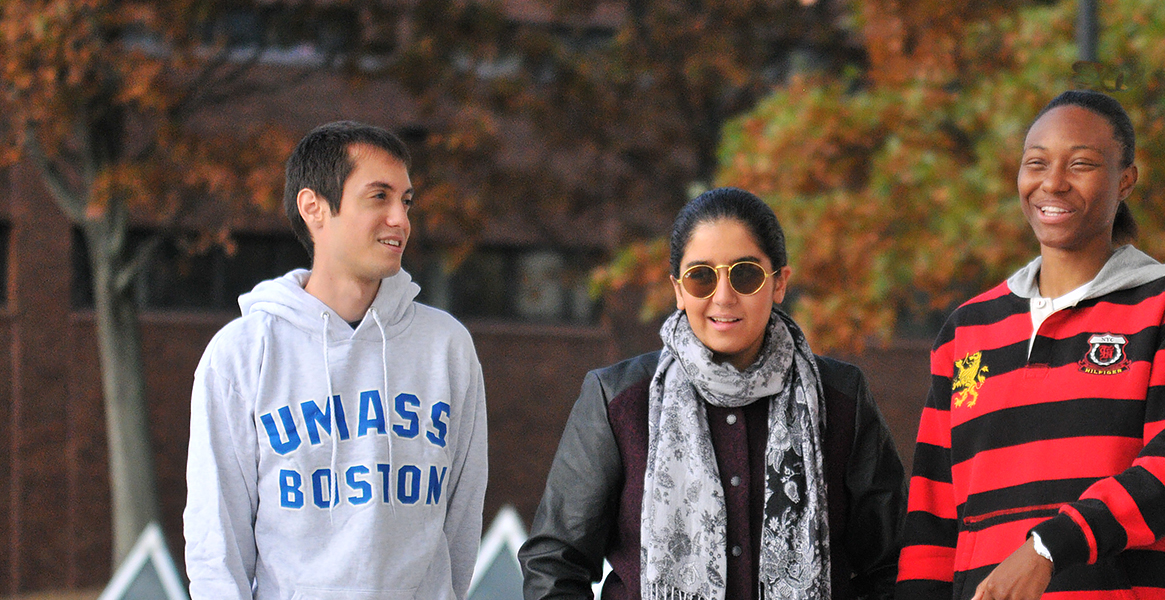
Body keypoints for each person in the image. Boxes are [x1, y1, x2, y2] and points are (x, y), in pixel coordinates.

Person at [895, 90, 1165, 600]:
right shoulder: (966, 331)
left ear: (1126, 181)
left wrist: (1049, 548)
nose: (1052, 183)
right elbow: (932, 519)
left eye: (1081, 164)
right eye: (1036, 163)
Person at [518, 187, 907, 600]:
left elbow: (892, 565)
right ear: (678, 290)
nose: (723, 296)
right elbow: (555, 564)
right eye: (701, 276)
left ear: (779, 283)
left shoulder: (841, 399)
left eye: (745, 274)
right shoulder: (618, 400)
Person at [184, 121, 490, 598]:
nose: (400, 220)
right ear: (314, 208)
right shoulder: (242, 354)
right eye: (379, 197)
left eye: (406, 201)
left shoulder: (447, 347)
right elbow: (215, 544)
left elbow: (462, 520)